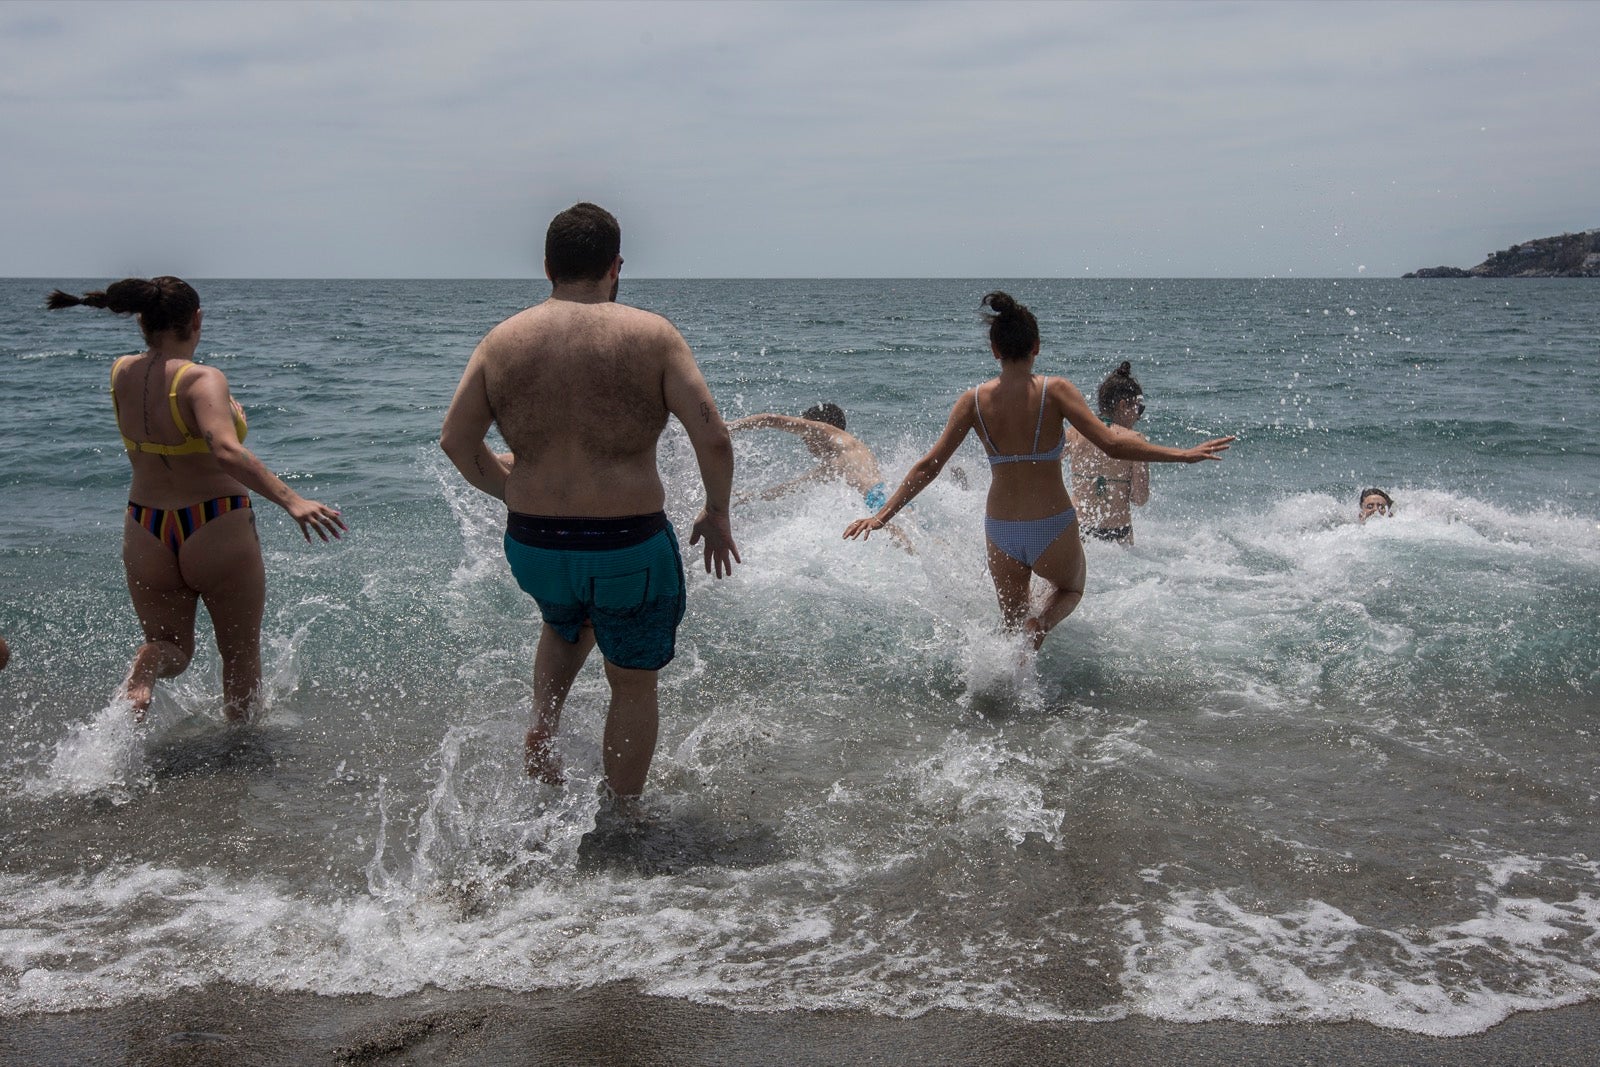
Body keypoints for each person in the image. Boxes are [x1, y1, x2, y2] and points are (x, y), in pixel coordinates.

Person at [440, 202, 739, 802]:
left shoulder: (501, 341)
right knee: (631, 683)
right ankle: (623, 818)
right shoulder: (652, 336)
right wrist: (716, 510)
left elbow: (456, 441)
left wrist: (515, 494)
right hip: (627, 544)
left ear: (547, 265)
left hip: (535, 544)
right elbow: (713, 436)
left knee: (563, 619)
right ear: (616, 266)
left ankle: (543, 730)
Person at [843, 291, 1233, 650]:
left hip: (1000, 529)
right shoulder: (1055, 390)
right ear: (1036, 347)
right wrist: (1183, 454)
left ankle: (1009, 703)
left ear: (994, 350)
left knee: (1010, 627)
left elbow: (929, 466)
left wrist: (881, 516)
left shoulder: (972, 402)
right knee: (1069, 590)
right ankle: (1042, 625)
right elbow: (1113, 443)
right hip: (1052, 524)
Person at [47, 277, 345, 722]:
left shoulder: (121, 370)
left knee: (174, 649)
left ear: (142, 321)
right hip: (214, 521)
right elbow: (225, 451)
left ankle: (149, 660)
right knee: (240, 654)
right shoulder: (202, 378)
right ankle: (242, 757)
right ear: (197, 320)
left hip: (145, 524)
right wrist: (292, 500)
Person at [730, 403, 912, 549]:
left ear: (818, 427)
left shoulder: (834, 435)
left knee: (908, 544)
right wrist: (752, 497)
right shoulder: (837, 462)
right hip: (889, 497)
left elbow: (770, 419)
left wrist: (729, 428)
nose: (804, 440)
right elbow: (793, 487)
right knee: (916, 543)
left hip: (879, 498)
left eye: (805, 434)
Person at [1066, 361, 1150, 544]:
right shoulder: (1135, 440)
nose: (1138, 416)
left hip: (1078, 532)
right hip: (1118, 536)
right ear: (1122, 406)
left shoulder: (1075, 432)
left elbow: (1043, 462)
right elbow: (1140, 498)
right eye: (1139, 408)